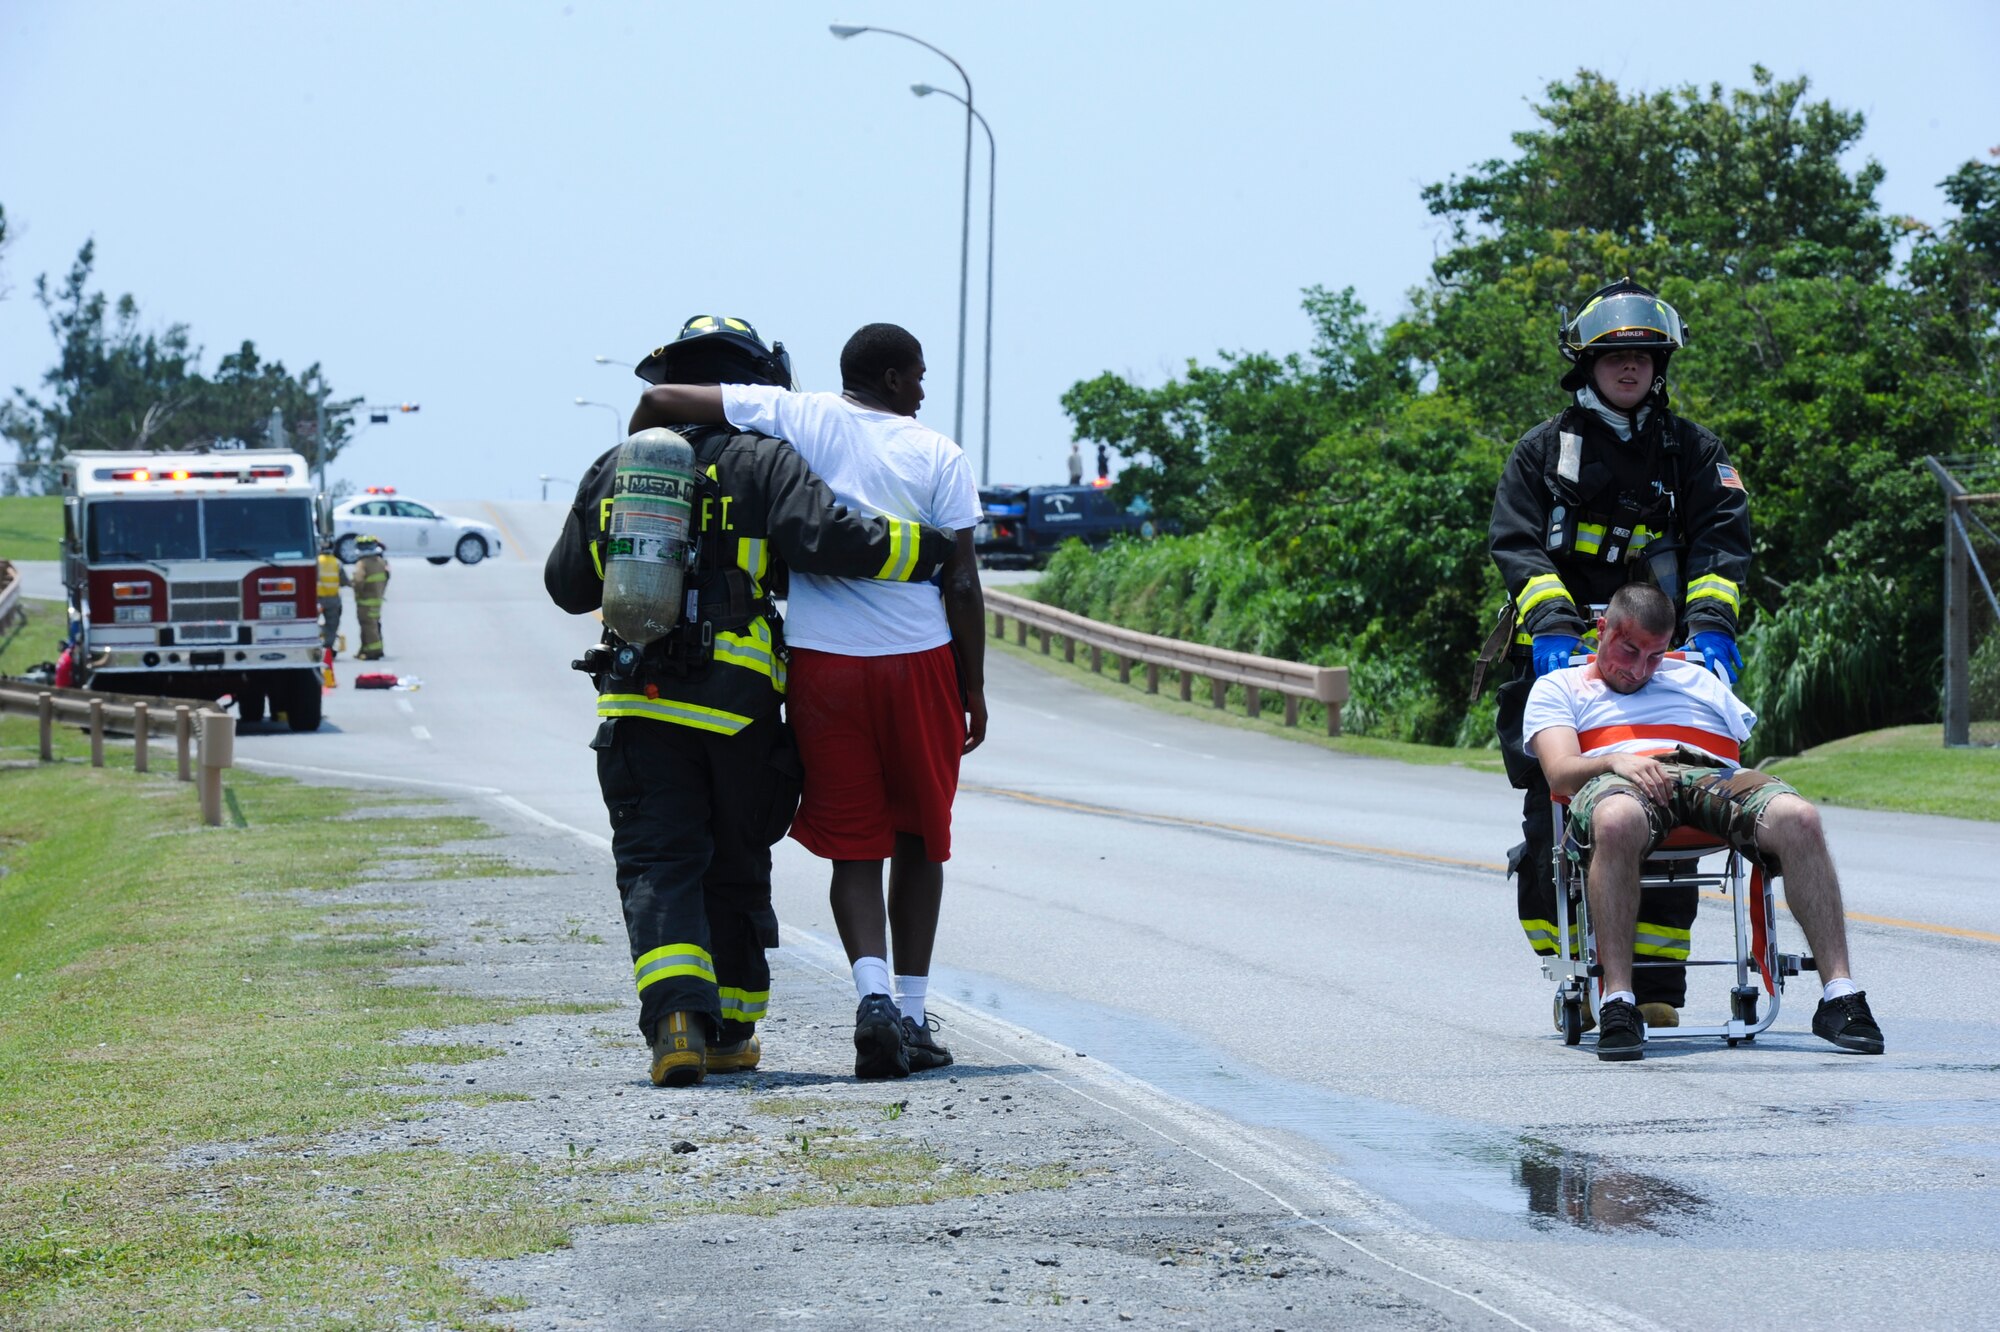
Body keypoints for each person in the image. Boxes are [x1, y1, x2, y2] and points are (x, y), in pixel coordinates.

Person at [547, 315, 952, 1089]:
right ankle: (731, 1031)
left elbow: (567, 586)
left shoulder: (618, 468)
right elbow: (829, 536)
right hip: (736, 711)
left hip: (637, 707)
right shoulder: (766, 458)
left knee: (660, 864)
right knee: (733, 864)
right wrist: (930, 549)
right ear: (754, 385)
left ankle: (676, 1023)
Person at [1487, 277, 1751, 1029]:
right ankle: (1572, 962)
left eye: (1642, 355)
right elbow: (1517, 544)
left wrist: (1711, 633)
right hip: (1565, 661)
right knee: (1553, 815)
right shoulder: (1543, 452)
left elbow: (1722, 547)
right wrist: (1557, 632)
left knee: (1673, 802)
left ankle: (1658, 982)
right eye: (1614, 358)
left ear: (1659, 363)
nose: (1630, 368)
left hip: (1669, 662)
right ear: (1587, 365)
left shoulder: (1694, 452)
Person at [1525, 583, 1884, 1062]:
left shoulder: (1694, 677)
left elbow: (1734, 754)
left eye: (1654, 656)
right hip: (1621, 778)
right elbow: (1559, 771)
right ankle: (1617, 1002)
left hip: (1705, 771)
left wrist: (1729, 784)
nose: (1638, 669)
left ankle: (1840, 995)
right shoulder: (1559, 686)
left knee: (1799, 818)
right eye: (1628, 649)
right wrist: (1616, 761)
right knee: (1614, 822)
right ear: (1601, 629)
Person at [352, 536, 390, 661]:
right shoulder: (381, 562)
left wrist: (357, 591)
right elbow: (386, 577)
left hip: (365, 601)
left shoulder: (362, 564)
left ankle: (374, 652)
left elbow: (358, 581)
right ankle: (365, 649)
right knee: (373, 624)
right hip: (377, 600)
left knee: (368, 625)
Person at [318, 540, 348, 655]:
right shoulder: (337, 562)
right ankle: (328, 648)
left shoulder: (316, 562)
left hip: (317, 600)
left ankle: (315, 643)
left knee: (310, 623)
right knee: (332, 624)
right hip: (333, 600)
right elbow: (344, 581)